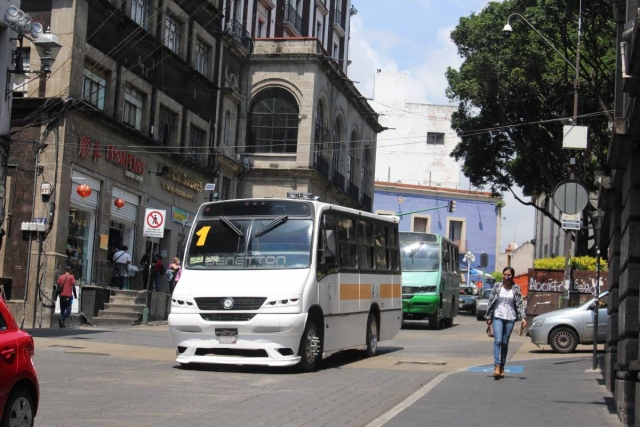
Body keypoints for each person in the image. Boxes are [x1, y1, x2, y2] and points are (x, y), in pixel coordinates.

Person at [485, 266, 527, 379]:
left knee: (504, 342)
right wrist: (488, 316)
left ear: (512, 276)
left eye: (508, 275)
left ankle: (502, 366)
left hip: (510, 317)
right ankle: (496, 366)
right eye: (504, 274)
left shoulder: (516, 288)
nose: (506, 277)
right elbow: (491, 301)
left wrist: (523, 317)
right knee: (497, 341)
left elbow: (519, 303)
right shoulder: (497, 286)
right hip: (497, 316)